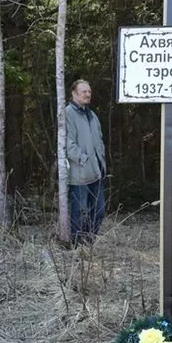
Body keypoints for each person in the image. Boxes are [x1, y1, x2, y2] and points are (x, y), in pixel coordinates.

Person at [65, 79, 106, 247]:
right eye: (84, 92)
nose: (88, 94)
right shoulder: (69, 113)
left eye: (89, 91)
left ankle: (88, 243)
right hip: (79, 175)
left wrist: (100, 160)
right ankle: (76, 246)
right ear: (74, 94)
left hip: (96, 173)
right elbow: (67, 143)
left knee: (99, 211)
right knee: (79, 213)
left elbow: (99, 140)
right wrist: (83, 159)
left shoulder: (91, 114)